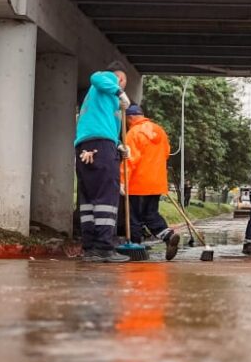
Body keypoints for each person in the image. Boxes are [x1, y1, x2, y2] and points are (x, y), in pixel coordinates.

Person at [75, 65, 132, 263]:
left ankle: (90, 247)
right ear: (121, 80)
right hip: (100, 144)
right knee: (106, 196)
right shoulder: (107, 80)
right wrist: (119, 91)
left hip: (88, 144)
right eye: (124, 82)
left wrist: (118, 145)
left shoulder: (104, 103)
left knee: (89, 198)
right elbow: (96, 76)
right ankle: (104, 247)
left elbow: (106, 126)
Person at [121, 104, 181, 261]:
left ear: (130, 117)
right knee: (150, 214)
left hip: (137, 183)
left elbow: (130, 160)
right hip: (156, 182)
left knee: (134, 216)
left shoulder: (133, 133)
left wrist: (122, 181)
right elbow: (167, 153)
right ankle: (168, 235)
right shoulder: (159, 130)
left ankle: (134, 246)